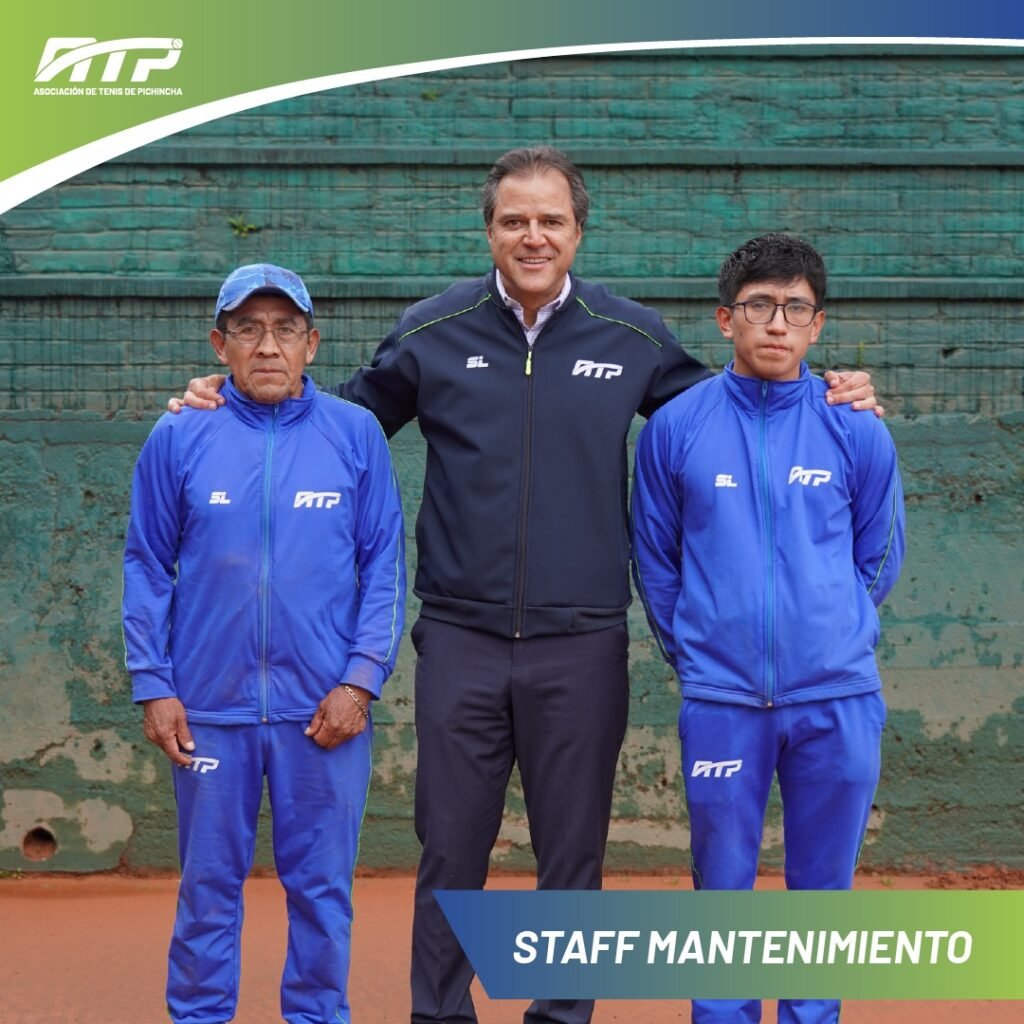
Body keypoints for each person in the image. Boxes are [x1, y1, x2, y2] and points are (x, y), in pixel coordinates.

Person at [170, 149, 879, 1024]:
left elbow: (741, 403)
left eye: (551, 220)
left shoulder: (630, 336)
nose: (533, 236)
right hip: (460, 640)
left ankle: (560, 1016)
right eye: (515, 220)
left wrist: (836, 390)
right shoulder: (434, 330)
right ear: (491, 232)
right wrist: (229, 396)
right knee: (450, 849)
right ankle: (441, 1015)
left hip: (582, 644)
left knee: (572, 857)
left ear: (578, 232)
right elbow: (331, 421)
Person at [631, 233, 905, 1024]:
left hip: (838, 700)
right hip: (722, 704)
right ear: (726, 319)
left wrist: (834, 632)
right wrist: (705, 658)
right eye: (759, 306)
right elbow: (656, 563)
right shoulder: (675, 429)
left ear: (818, 324)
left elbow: (878, 555)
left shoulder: (856, 428)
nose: (777, 323)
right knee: (723, 896)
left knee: (821, 897)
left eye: (795, 308)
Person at [123, 263, 406, 1024]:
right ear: (221, 345)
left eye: (285, 329)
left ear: (312, 343)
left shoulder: (355, 434)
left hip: (324, 712)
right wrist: (154, 683)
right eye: (248, 329)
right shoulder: (180, 433)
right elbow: (146, 563)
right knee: (208, 888)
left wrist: (360, 681)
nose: (268, 345)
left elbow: (384, 565)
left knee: (321, 892)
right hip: (208, 711)